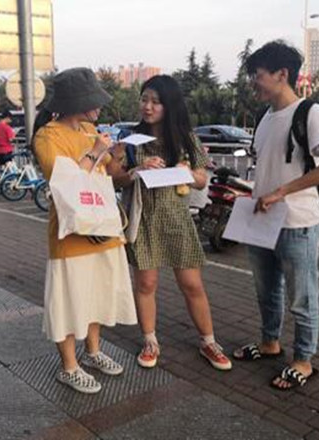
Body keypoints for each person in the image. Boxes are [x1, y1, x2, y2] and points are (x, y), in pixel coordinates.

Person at [234, 41, 319, 390]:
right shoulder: (264, 117)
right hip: (263, 219)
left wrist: (282, 191)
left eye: (257, 75)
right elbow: (269, 167)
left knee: (302, 296)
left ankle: (303, 360)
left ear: (282, 74)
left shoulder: (311, 113)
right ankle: (270, 342)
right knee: (266, 290)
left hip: (298, 222)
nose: (253, 82)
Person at [109, 75, 232, 372]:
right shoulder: (130, 139)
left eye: (156, 101)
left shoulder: (186, 139)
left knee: (192, 284)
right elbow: (113, 177)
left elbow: (201, 180)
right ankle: (150, 341)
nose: (148, 107)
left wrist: (185, 170)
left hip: (178, 220)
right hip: (143, 220)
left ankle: (209, 341)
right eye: (144, 99)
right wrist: (137, 170)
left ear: (170, 105)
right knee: (146, 284)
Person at [32, 67, 137, 394]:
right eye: (93, 101)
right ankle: (69, 367)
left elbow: (110, 173)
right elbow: (64, 182)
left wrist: (117, 155)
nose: (99, 107)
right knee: (68, 300)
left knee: (96, 293)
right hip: (71, 234)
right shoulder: (48, 136)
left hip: (102, 227)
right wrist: (95, 151)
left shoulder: (91, 130)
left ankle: (92, 352)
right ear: (74, 102)